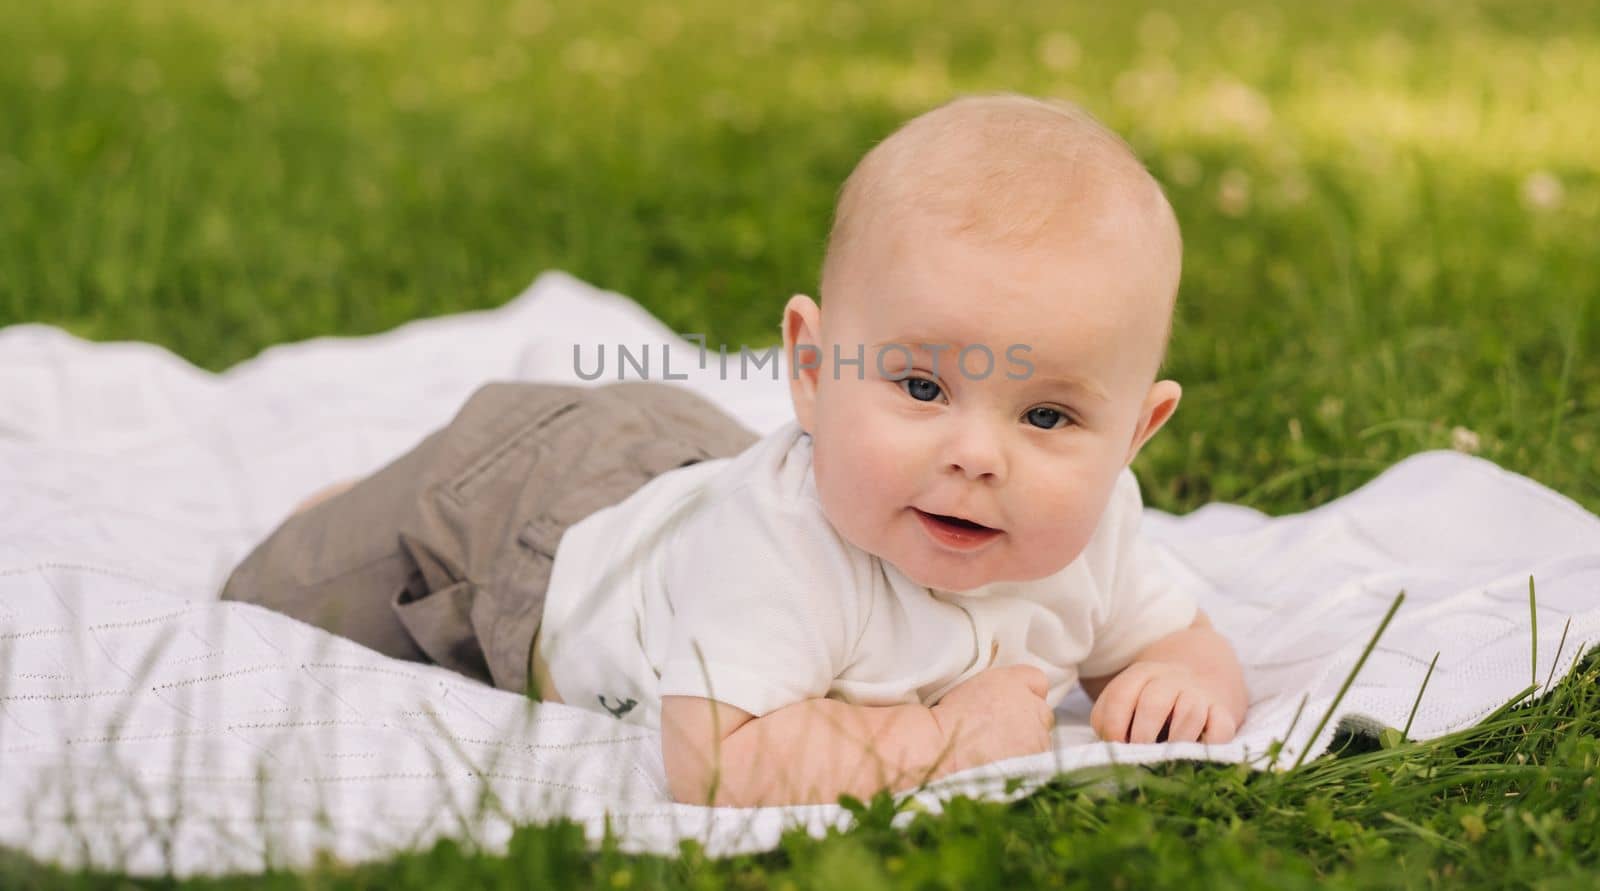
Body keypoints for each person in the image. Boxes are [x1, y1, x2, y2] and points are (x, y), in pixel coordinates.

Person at [222, 92, 1248, 808]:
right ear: (809, 366)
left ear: (1135, 434)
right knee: (269, 598)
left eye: (1049, 417)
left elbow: (1172, 639)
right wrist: (942, 742)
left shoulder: (1096, 528)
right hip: (519, 525)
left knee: (705, 499)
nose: (980, 455)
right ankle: (365, 491)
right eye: (923, 386)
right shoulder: (780, 549)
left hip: (684, 478)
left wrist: (1183, 682)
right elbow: (714, 761)